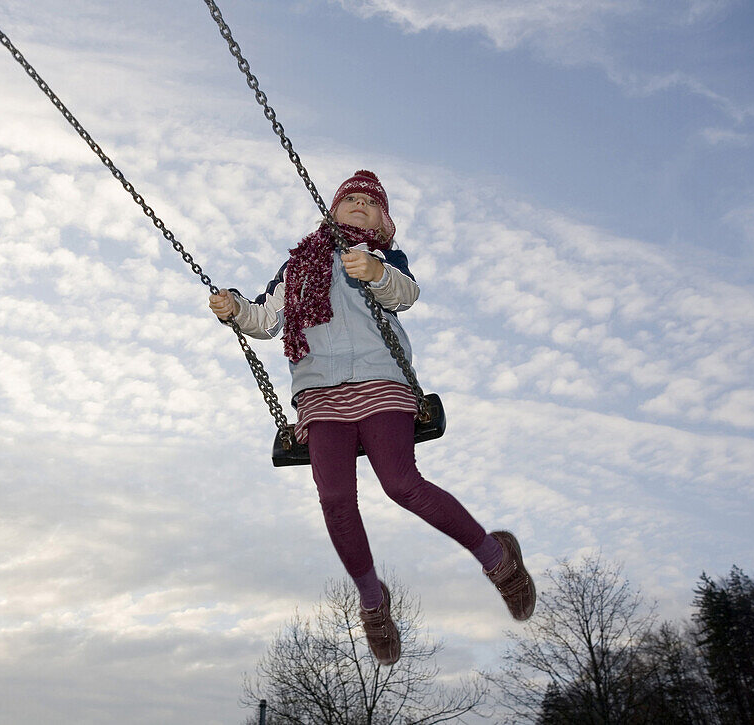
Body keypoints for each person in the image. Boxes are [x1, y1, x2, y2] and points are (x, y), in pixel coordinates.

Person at [209, 170, 535, 666]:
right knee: (336, 499)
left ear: (383, 222)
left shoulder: (378, 257)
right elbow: (266, 320)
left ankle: (497, 559)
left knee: (401, 483)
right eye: (350, 199)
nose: (358, 204)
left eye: (370, 202)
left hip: (380, 378)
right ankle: (372, 601)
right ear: (332, 210)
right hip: (319, 390)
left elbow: (405, 294)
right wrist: (234, 307)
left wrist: (375, 272)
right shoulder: (297, 266)